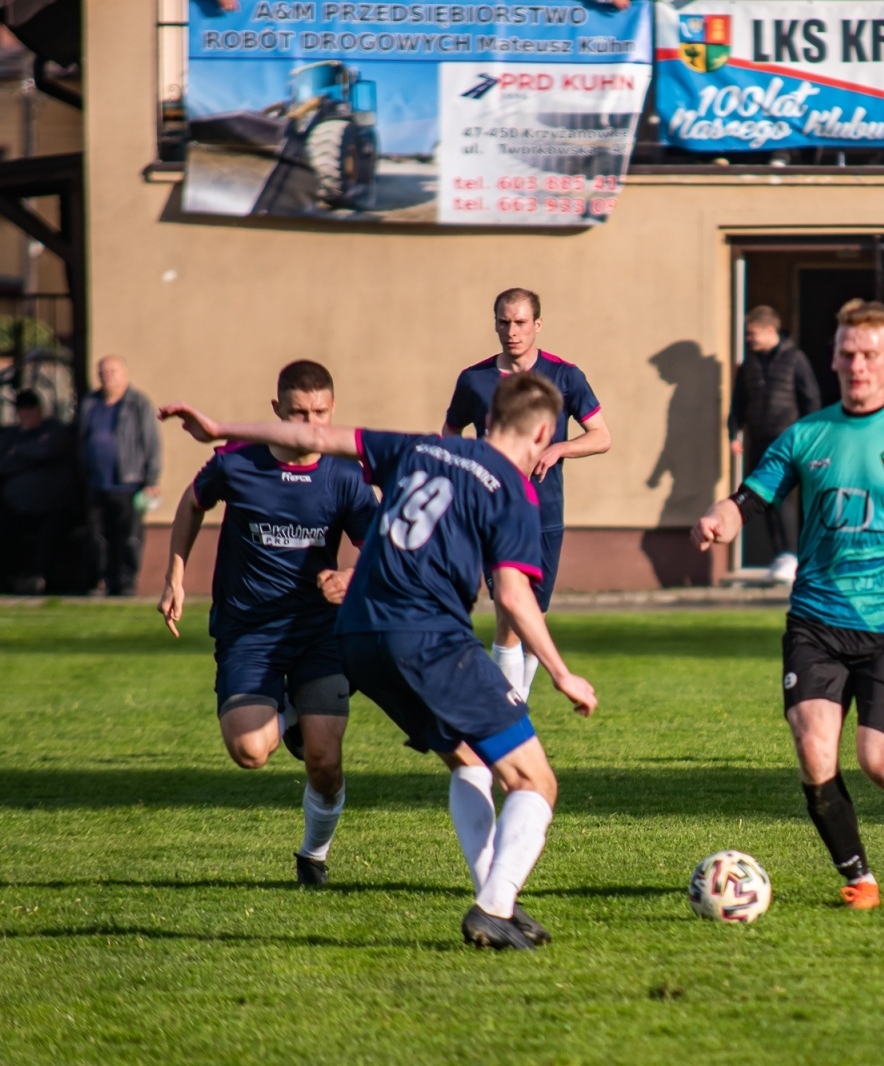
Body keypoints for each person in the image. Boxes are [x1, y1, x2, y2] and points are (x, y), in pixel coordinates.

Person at [160, 372, 599, 951]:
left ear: (488, 418)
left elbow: (330, 438)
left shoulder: (421, 446)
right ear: (544, 432)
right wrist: (563, 672)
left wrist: (219, 427)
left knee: (468, 757)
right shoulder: (515, 490)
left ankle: (500, 901)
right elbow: (514, 597)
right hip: (429, 639)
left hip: (359, 635)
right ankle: (493, 906)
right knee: (535, 781)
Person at [692, 299, 884, 911]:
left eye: (868, 355)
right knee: (815, 750)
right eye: (846, 354)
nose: (856, 365)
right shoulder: (806, 436)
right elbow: (747, 501)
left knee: (882, 763)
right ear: (833, 359)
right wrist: (719, 518)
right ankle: (860, 878)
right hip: (815, 621)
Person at [158, 361, 379, 886]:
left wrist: (350, 577)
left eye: (321, 412)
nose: (310, 423)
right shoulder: (237, 463)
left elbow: (378, 545)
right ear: (276, 410)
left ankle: (313, 856)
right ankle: (288, 710)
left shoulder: (346, 474)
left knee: (324, 762)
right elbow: (192, 505)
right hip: (249, 632)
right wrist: (175, 575)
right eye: (299, 412)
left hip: (318, 633)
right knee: (251, 753)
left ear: (333, 411)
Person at [443, 287, 609, 702]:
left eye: (520, 323)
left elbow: (602, 436)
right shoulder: (474, 379)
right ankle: (507, 711)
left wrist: (560, 447)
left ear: (537, 325)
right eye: (504, 322)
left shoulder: (564, 375)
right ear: (495, 322)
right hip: (491, 512)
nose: (511, 331)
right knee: (507, 610)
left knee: (534, 613)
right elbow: (450, 433)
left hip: (545, 510)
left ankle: (516, 702)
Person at [728, 305, 821, 583]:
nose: (749, 339)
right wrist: (734, 433)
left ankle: (791, 555)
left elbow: (811, 400)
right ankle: (780, 555)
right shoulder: (749, 364)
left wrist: (809, 437)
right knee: (764, 498)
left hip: (788, 440)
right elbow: (738, 403)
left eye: (752, 333)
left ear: (770, 331)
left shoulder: (795, 359)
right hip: (759, 439)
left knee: (784, 498)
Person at [78, 355, 163, 596]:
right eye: (103, 371)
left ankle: (125, 582)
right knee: (97, 535)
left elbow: (151, 443)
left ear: (125, 374)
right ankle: (100, 580)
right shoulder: (90, 404)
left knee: (127, 536)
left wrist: (151, 479)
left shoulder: (138, 404)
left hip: (129, 482)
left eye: (113, 371)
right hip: (96, 482)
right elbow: (82, 440)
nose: (107, 376)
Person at [0, 390, 75, 594]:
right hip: (16, 508)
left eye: (30, 409)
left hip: (53, 507)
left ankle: (39, 579)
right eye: (22, 411)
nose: (26, 414)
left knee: (50, 535)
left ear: (39, 410)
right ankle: (9, 581)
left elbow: (47, 450)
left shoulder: (53, 430)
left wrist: (17, 452)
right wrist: (33, 458)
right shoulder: (9, 435)